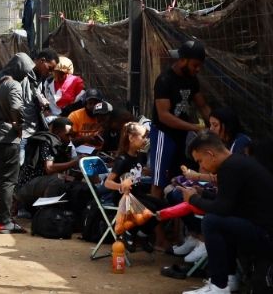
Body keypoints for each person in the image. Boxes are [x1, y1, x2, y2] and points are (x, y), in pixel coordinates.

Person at [179, 132, 273, 294]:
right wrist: (203, 193)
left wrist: (193, 199)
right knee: (222, 221)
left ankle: (219, 285)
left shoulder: (230, 167)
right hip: (260, 228)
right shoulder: (236, 163)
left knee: (212, 221)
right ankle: (229, 279)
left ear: (210, 154)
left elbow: (222, 208)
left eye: (200, 161)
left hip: (266, 234)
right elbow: (229, 201)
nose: (202, 167)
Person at [0, 52, 39, 234]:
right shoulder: (13, 84)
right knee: (8, 180)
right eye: (26, 71)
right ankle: (5, 222)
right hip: (6, 138)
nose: (27, 75)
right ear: (19, 69)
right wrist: (20, 127)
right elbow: (16, 108)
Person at [150, 40, 211, 199]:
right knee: (159, 182)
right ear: (183, 60)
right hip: (164, 135)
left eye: (199, 66)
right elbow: (164, 116)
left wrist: (215, 125)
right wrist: (195, 127)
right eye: (195, 65)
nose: (197, 69)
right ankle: (155, 223)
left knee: (179, 181)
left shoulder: (192, 80)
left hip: (182, 136)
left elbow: (202, 105)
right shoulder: (164, 80)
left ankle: (177, 222)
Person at [103, 121, 166, 251]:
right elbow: (107, 182)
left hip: (136, 195)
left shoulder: (140, 156)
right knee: (149, 209)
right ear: (131, 138)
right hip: (123, 198)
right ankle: (129, 231)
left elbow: (137, 171)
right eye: (143, 136)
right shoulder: (122, 160)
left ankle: (141, 234)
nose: (145, 140)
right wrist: (121, 186)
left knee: (163, 207)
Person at [15, 117, 79, 213]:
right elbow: (49, 168)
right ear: (57, 133)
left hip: (42, 185)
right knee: (58, 178)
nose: (70, 138)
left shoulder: (65, 145)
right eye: (68, 135)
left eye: (72, 135)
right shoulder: (47, 141)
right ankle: (46, 213)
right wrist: (73, 163)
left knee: (77, 179)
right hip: (27, 187)